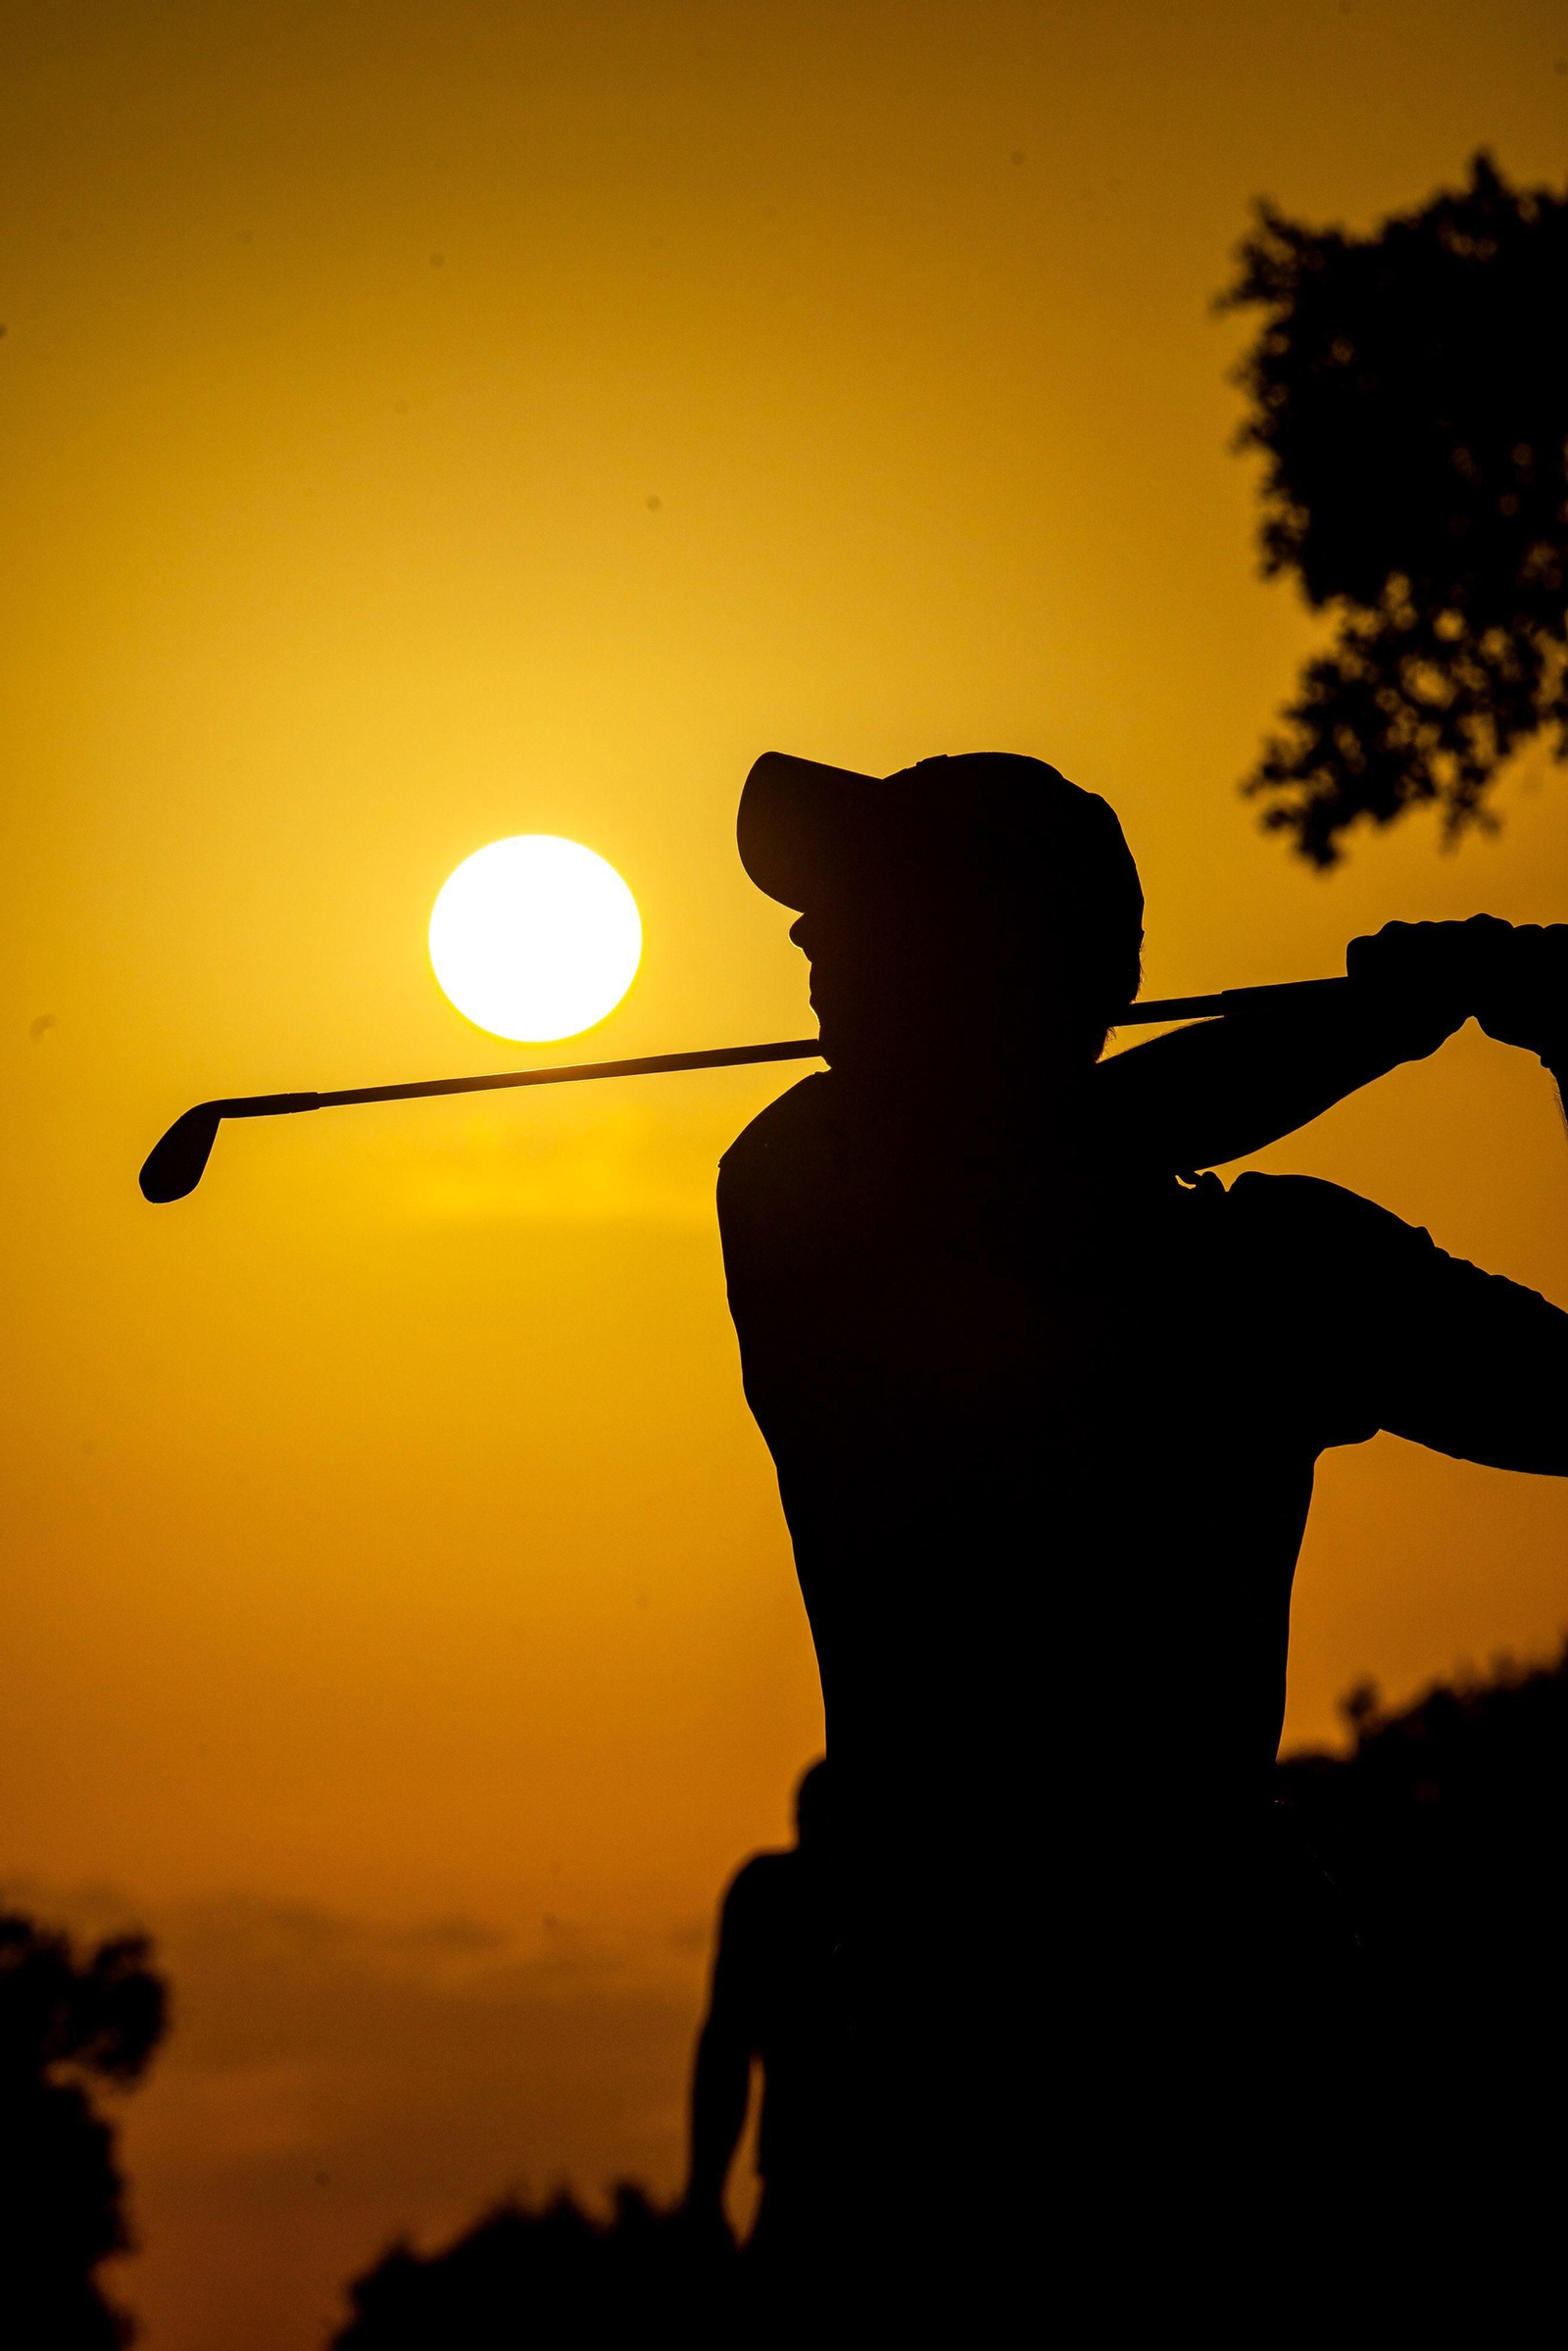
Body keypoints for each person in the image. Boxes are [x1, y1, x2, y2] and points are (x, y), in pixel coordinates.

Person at [716, 750, 1568, 2327]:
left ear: (991, 957)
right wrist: (1413, 1018)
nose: (805, 935)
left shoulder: (806, 1200)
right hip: (1079, 2041)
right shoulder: (806, 1193)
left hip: (1042, 2067)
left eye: (862, 906)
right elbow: (1073, 1139)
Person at [682, 1761, 844, 2299]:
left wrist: (704, 2193)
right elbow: (725, 2050)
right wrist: (704, 2194)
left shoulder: (768, 1893)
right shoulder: (768, 1893)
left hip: (796, 2179)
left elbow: (725, 2049)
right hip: (795, 2179)